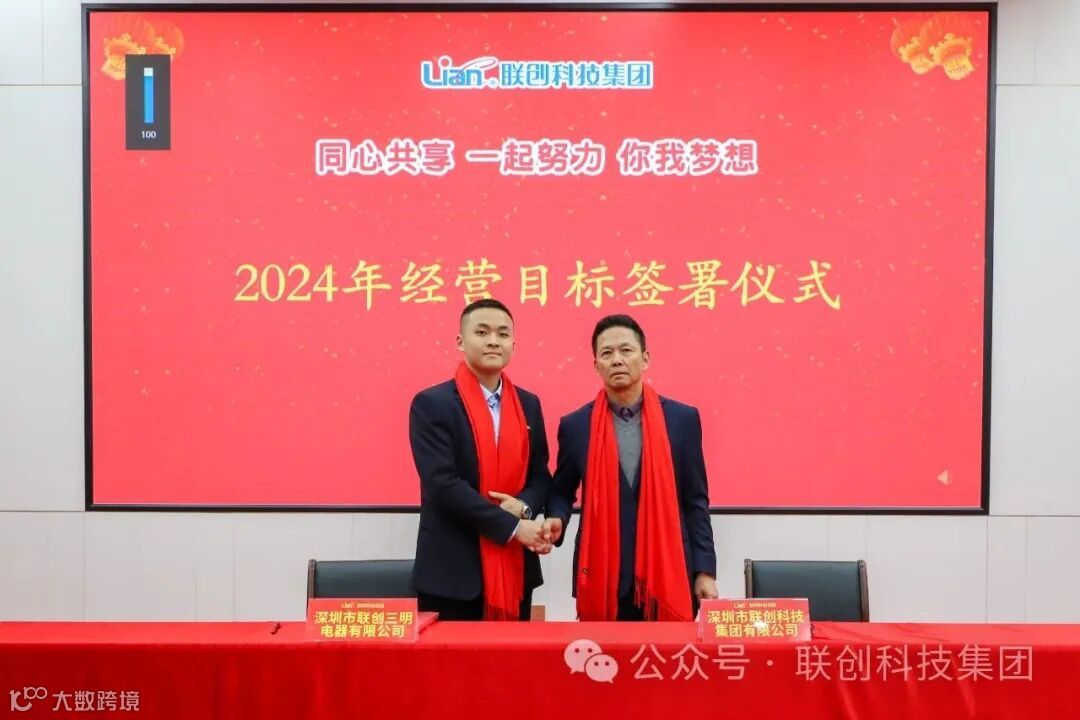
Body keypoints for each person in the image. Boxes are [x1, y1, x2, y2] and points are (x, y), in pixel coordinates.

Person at [544, 314, 718, 621]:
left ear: (645, 358)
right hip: (602, 574)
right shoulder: (576, 425)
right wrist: (557, 517)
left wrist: (704, 570)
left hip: (670, 571)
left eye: (626, 350)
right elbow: (561, 491)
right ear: (596, 365)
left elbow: (695, 500)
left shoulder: (682, 420)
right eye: (607, 353)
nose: (617, 360)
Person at [409, 298, 552, 621]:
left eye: (503, 334)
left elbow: (540, 475)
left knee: (512, 655)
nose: (493, 341)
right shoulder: (432, 404)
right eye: (482, 332)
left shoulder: (528, 404)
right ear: (461, 341)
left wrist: (524, 507)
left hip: (515, 569)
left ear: (513, 344)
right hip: (452, 575)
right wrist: (513, 527)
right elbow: (442, 485)